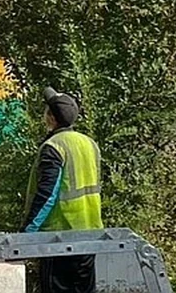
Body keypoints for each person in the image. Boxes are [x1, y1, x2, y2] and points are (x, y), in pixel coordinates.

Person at [22, 87, 103, 293]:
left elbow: (47, 194)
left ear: (51, 118)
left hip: (59, 238)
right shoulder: (89, 144)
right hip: (90, 234)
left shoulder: (54, 146)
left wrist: (26, 234)